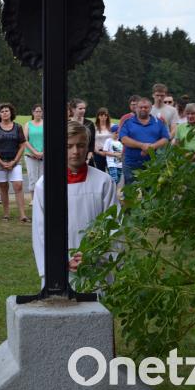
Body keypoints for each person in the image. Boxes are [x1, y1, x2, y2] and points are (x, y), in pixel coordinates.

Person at [32, 120, 119, 289]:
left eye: (80, 145)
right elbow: (40, 231)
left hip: (96, 265)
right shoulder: (46, 185)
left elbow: (113, 224)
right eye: (69, 146)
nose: (75, 151)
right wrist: (61, 261)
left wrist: (94, 255)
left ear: (88, 146)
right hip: (60, 270)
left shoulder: (103, 182)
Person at [0, 103, 29, 223]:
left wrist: (15, 161)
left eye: (6, 111)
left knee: (18, 185)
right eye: (2, 111)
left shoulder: (18, 127)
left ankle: (22, 215)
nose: (4, 113)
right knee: (4, 187)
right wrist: (0, 162)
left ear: (11, 113)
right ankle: (6, 214)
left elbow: (22, 145)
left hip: (14, 161)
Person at [119, 97, 170, 185]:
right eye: (141, 107)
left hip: (152, 164)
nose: (143, 109)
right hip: (131, 163)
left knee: (150, 190)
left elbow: (165, 139)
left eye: (146, 107)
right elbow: (124, 139)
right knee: (130, 191)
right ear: (136, 108)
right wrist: (142, 146)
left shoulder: (158, 122)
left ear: (150, 108)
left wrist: (151, 147)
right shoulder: (128, 122)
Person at [22, 104, 44, 206]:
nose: (38, 113)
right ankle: (33, 198)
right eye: (36, 111)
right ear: (33, 112)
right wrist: (34, 152)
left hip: (43, 155)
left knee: (42, 177)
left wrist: (42, 152)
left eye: (40, 111)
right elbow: (25, 140)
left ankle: (42, 198)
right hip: (30, 155)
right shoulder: (28, 124)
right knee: (32, 177)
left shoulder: (46, 124)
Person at [69, 98, 96, 165]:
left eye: (84, 108)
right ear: (73, 109)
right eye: (80, 108)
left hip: (87, 158)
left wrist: (88, 159)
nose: (83, 110)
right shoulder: (68, 123)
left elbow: (92, 143)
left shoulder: (89, 124)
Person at [91, 108, 112, 172]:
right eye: (101, 115)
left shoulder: (112, 126)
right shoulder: (94, 127)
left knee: (113, 173)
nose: (103, 117)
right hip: (98, 153)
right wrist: (98, 152)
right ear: (98, 116)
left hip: (110, 153)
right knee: (101, 172)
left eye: (105, 115)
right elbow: (91, 141)